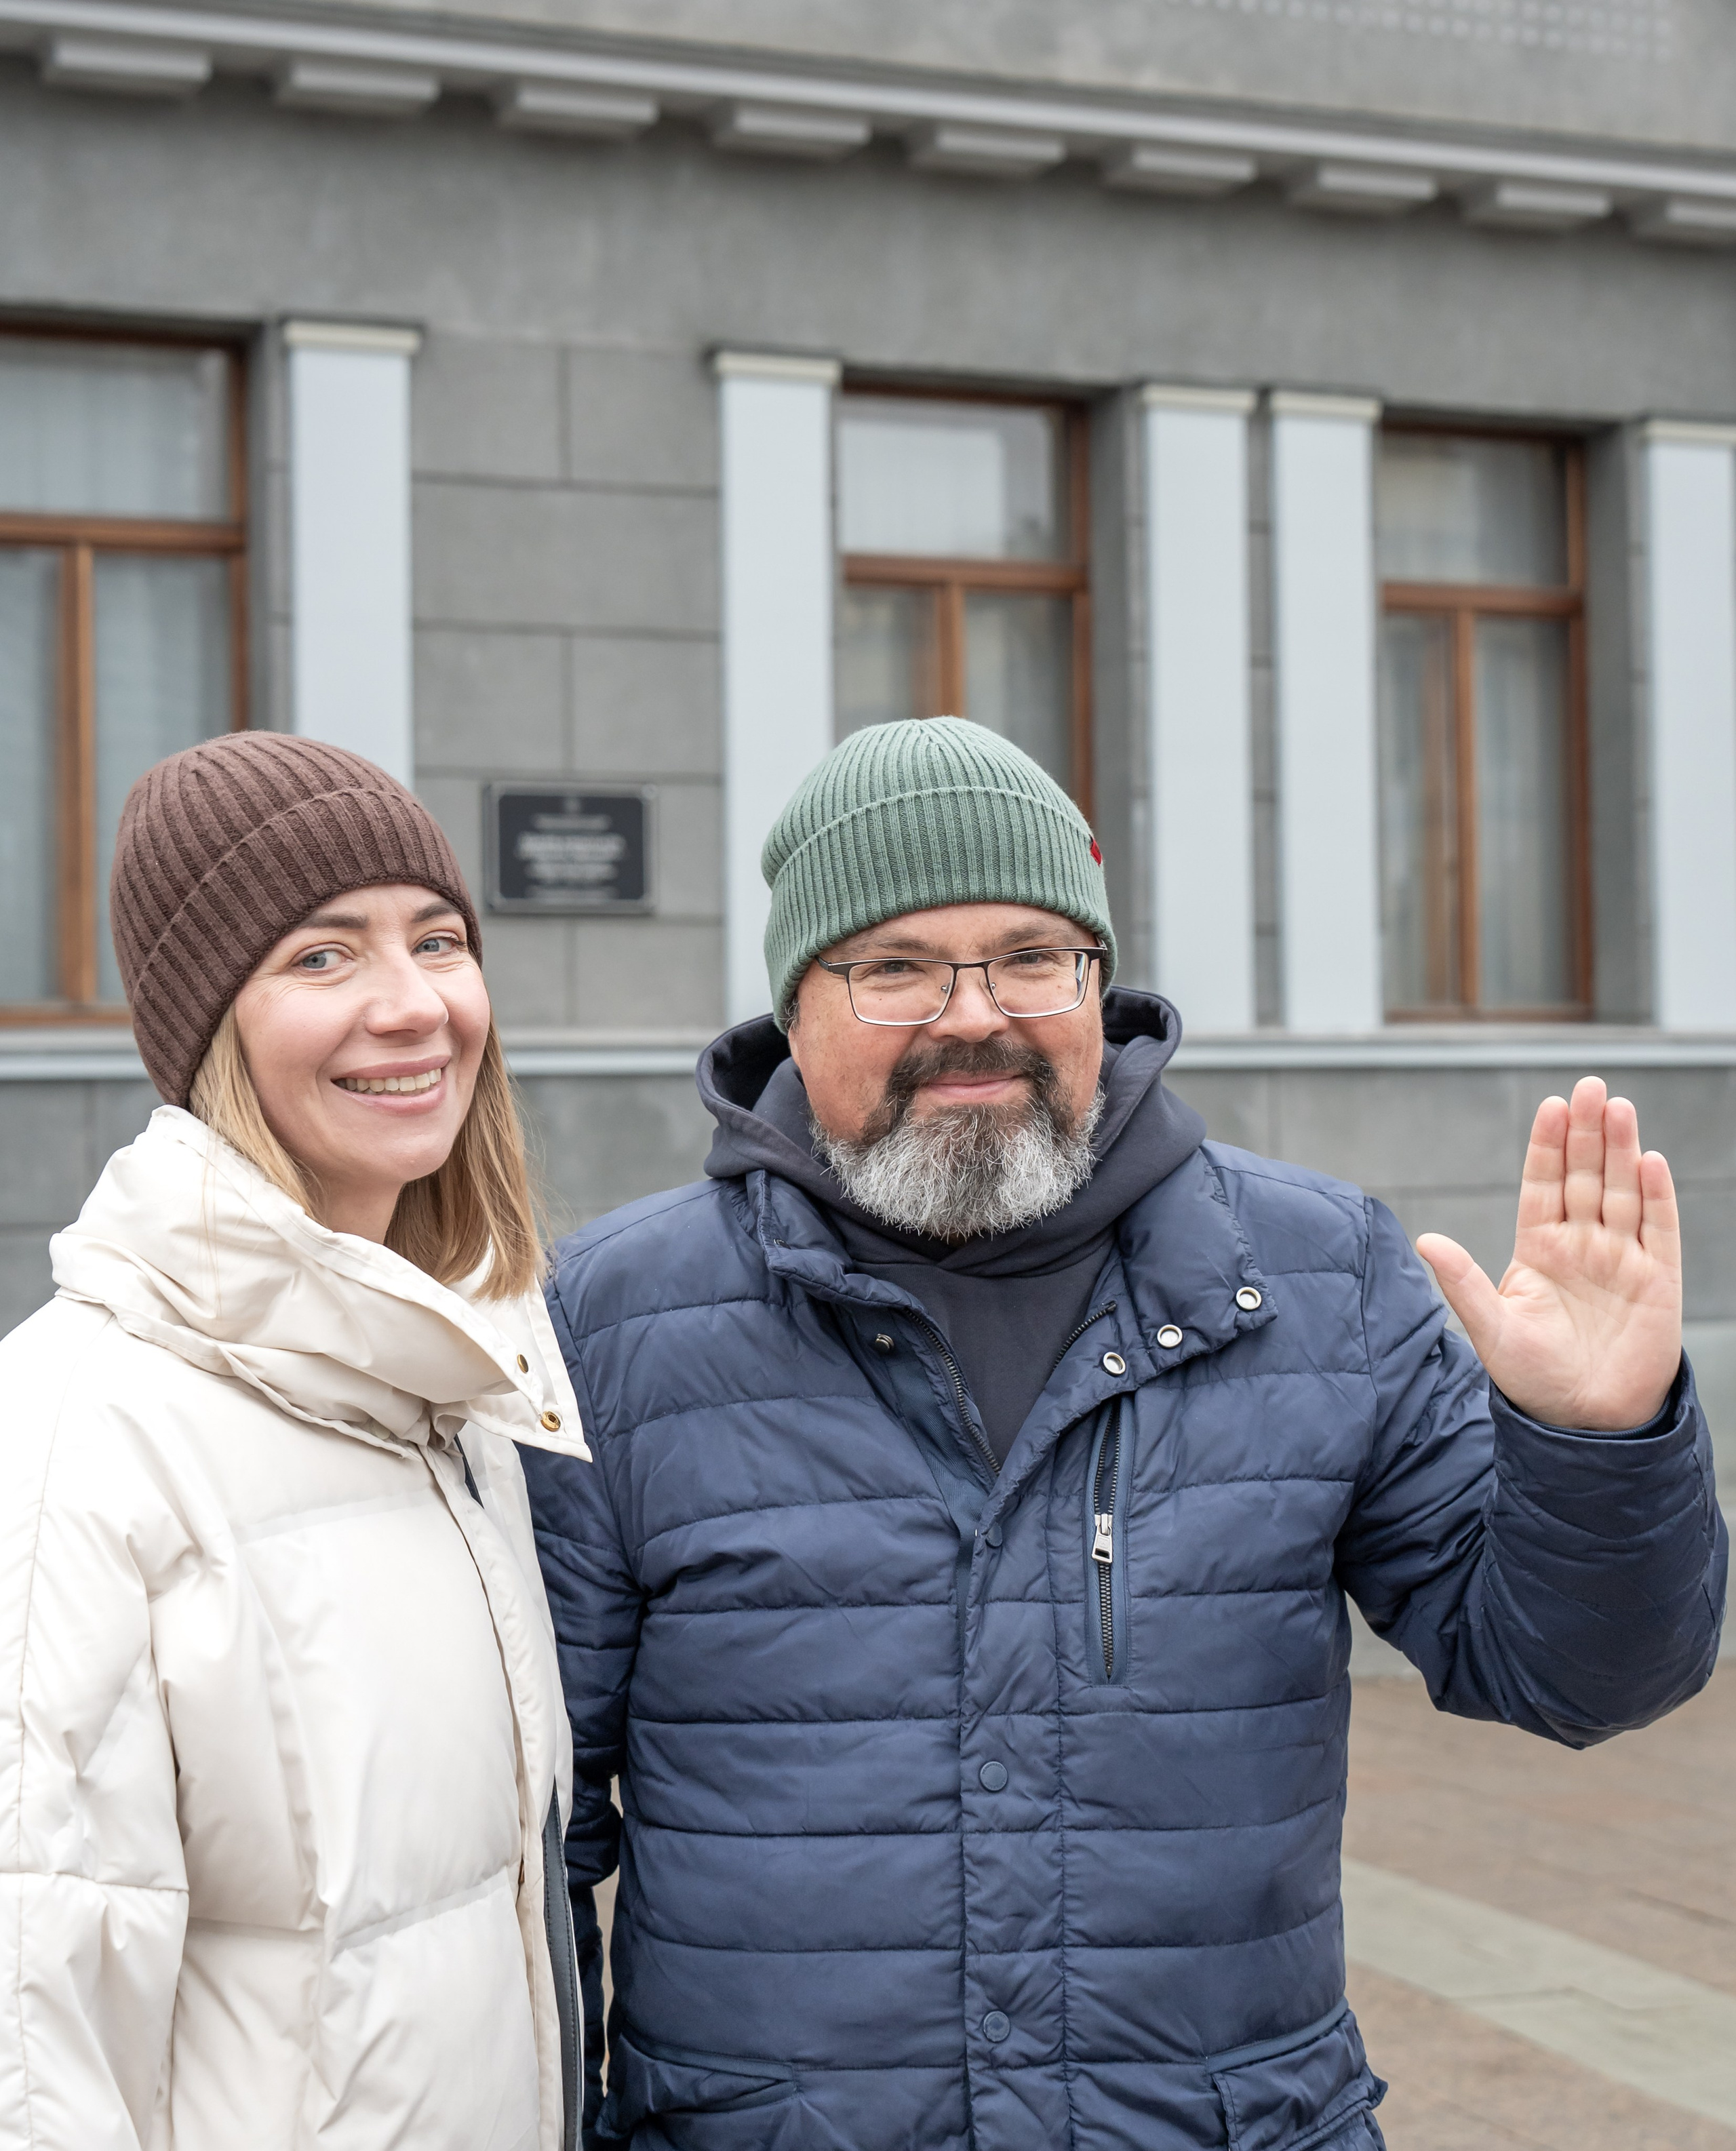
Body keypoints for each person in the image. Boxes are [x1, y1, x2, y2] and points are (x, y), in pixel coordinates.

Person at [524, 718, 1726, 2151]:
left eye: (1033, 954)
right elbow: (532, 1833)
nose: (974, 1012)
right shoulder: (614, 1319)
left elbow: (1576, 1677)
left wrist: (1591, 1437)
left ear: (1096, 980)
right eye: (895, 965)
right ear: (796, 1005)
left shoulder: (1316, 1271)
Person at [0, 734, 586, 2151]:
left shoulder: (444, 1388)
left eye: (437, 940)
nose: (413, 1006)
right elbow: (39, 2032)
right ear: (213, 1031)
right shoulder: (85, 1425)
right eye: (321, 958)